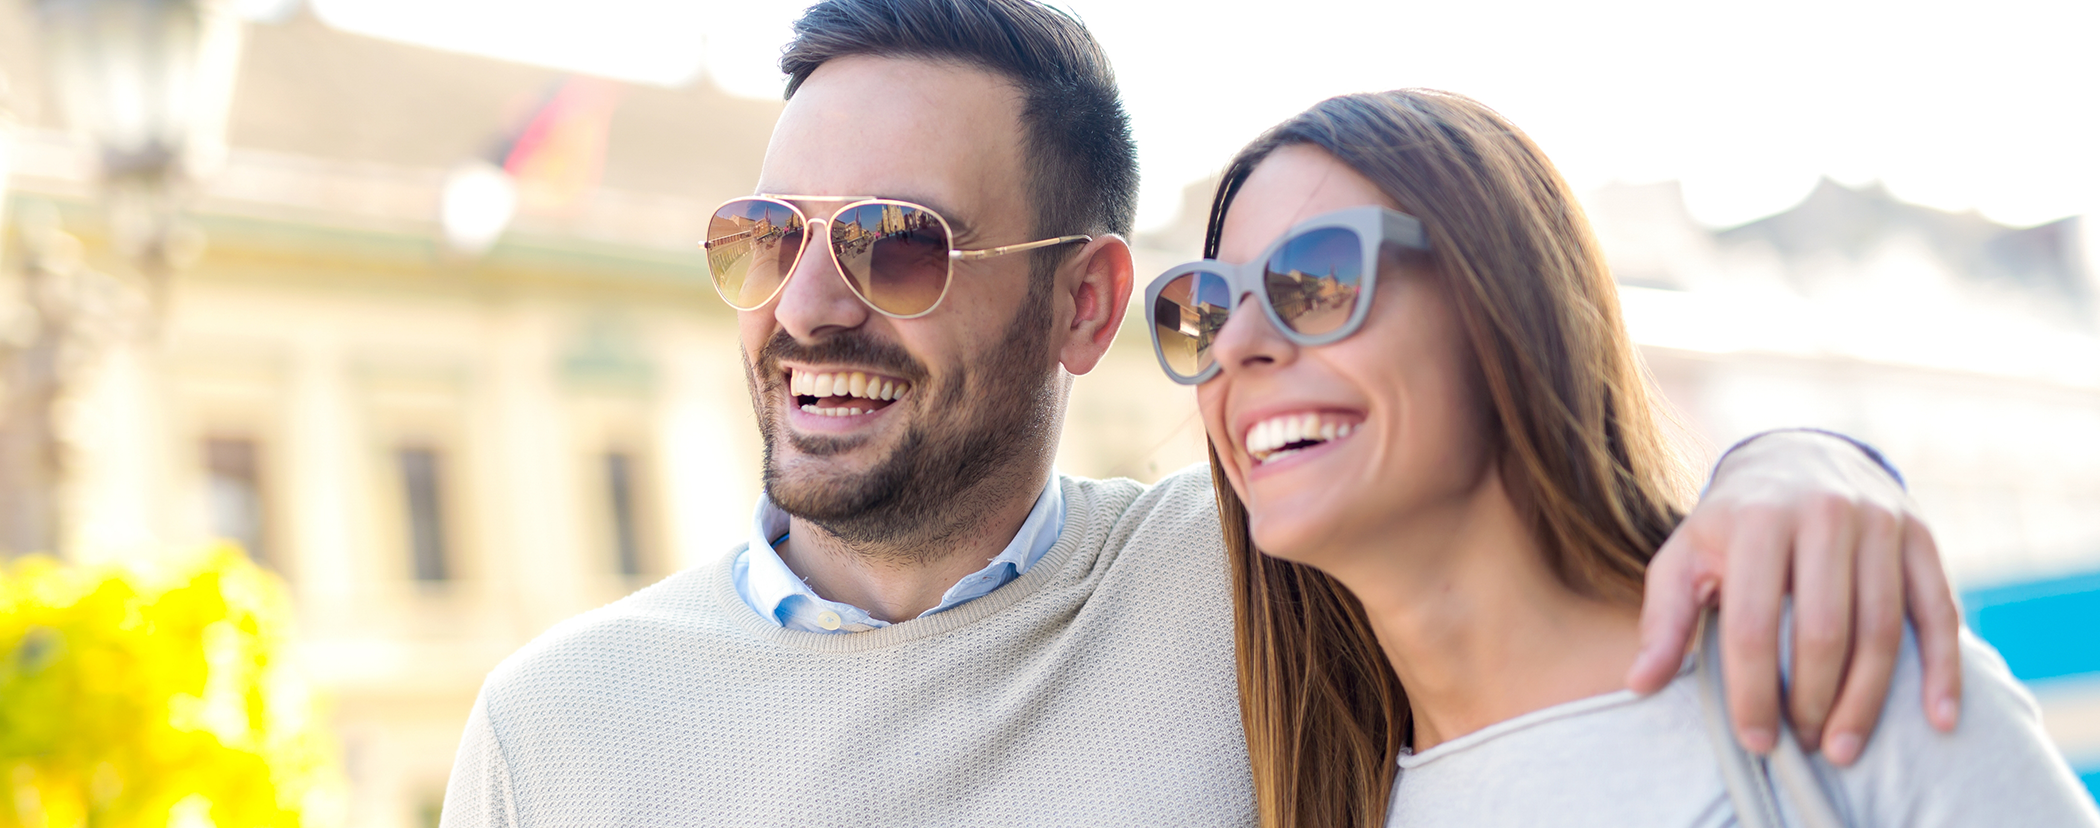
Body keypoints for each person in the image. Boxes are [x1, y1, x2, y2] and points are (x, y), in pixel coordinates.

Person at [439, 2, 1967, 825]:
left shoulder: (1261, 569)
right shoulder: (550, 734)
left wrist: (1801, 464)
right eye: (771, 237)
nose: (812, 305)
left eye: (899, 241)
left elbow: (1518, 471)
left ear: (1090, 308)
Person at [1155, 88, 2100, 827]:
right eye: (1205, 309)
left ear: (1502, 304)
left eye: (1316, 279)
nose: (1238, 345)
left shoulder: (1833, 682)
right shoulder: (1306, 800)